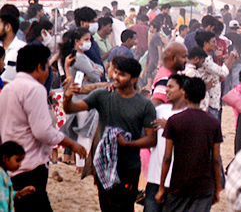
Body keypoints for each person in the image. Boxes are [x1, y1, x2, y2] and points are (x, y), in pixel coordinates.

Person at [62, 56, 157, 212]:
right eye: (115, 72)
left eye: (121, 74)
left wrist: (128, 144)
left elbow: (151, 138)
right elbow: (71, 109)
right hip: (104, 165)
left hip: (129, 167)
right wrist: (68, 96)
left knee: (124, 207)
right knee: (106, 207)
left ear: (133, 79)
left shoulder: (144, 104)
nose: (115, 77)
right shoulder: (103, 95)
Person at [0, 45, 88, 211]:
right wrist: (71, 144)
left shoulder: (8, 89)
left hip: (11, 166)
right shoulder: (35, 89)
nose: (48, 73)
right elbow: (42, 131)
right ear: (40, 67)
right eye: (47, 68)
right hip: (30, 166)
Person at [156, 76, 223, 211]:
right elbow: (216, 159)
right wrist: (217, 188)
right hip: (204, 187)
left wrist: (161, 187)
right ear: (204, 96)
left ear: (184, 95)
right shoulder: (213, 122)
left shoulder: (174, 121)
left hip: (179, 186)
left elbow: (167, 157)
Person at [143, 74, 187, 212]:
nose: (166, 90)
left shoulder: (189, 115)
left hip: (177, 182)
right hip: (155, 177)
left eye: (171, 87)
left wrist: (170, 127)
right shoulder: (159, 111)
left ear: (183, 91)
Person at [0, 141, 35, 211]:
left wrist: (20, 193)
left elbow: (6, 195)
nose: (19, 165)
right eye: (17, 160)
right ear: (5, 158)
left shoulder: (5, 175)